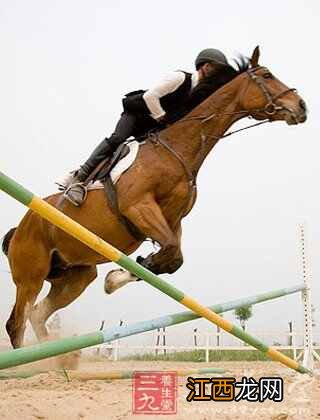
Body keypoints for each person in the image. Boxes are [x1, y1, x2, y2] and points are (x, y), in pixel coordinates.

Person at [64, 48, 230, 205]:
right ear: (206, 67)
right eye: (217, 70)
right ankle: (79, 177)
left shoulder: (198, 94)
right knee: (118, 139)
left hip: (152, 125)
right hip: (136, 114)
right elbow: (151, 97)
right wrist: (162, 118)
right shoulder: (179, 78)